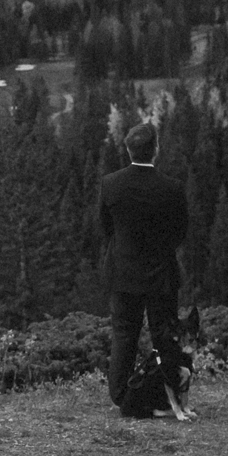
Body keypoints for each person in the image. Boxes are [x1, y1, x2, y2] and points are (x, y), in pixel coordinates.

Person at [97, 121, 190, 417]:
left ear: (128, 150)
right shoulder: (172, 188)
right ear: (156, 150)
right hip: (161, 274)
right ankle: (166, 396)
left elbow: (104, 228)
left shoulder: (111, 184)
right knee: (165, 337)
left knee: (125, 334)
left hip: (123, 273)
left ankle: (122, 396)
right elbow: (180, 232)